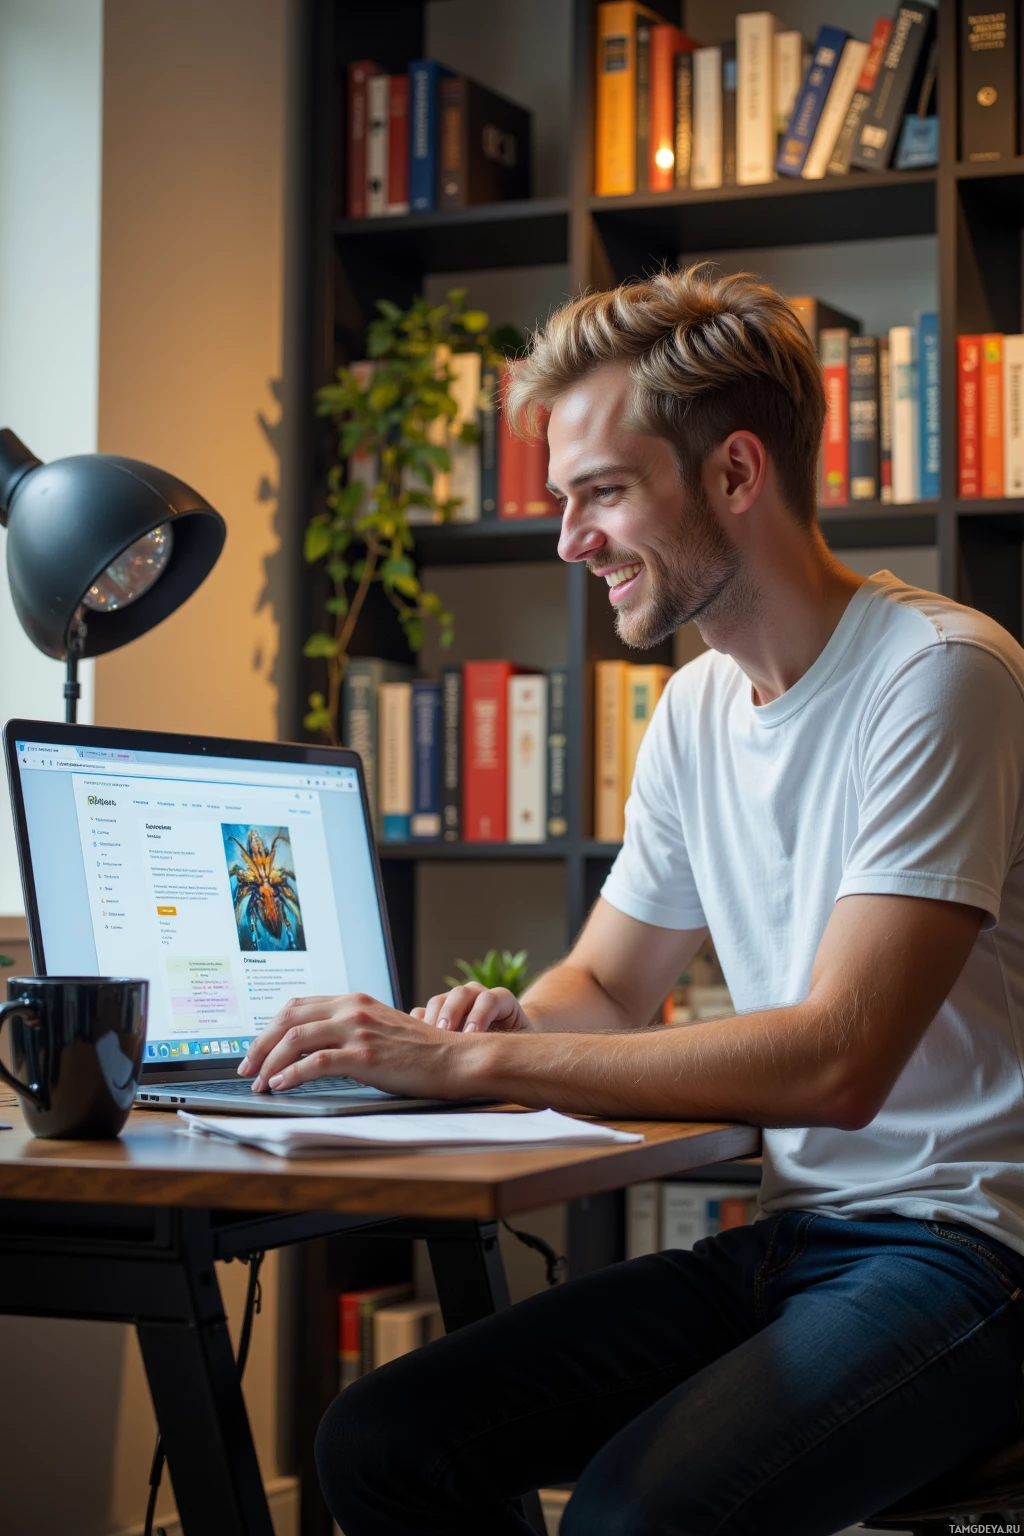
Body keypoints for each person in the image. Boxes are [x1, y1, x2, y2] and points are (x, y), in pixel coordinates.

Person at [240, 266, 1024, 1535]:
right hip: (793, 1244)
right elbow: (603, 986)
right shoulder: (695, 708)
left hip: (968, 1252)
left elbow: (838, 1063)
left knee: (629, 1519)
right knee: (383, 1441)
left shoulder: (939, 677)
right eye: (562, 498)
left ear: (732, 475)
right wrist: (490, 1026)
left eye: (600, 491)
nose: (568, 540)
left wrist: (470, 1075)